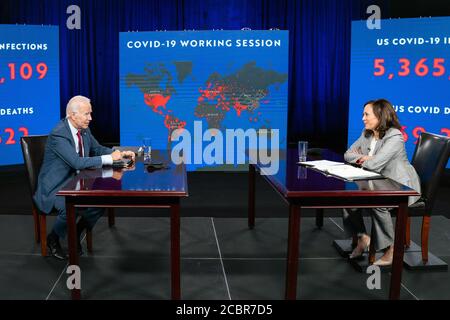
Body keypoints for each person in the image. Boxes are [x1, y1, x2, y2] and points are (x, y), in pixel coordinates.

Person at [34, 95, 135, 260]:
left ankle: (75, 233)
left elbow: (97, 149)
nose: (90, 118)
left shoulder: (84, 130)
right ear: (73, 116)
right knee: (69, 206)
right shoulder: (58, 134)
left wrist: (119, 153)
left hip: (78, 181)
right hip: (56, 186)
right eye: (87, 114)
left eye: (90, 113)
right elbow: (76, 163)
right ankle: (53, 238)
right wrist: (110, 159)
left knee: (102, 200)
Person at [343, 98, 420, 266]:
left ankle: (390, 249)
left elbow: (375, 164)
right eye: (363, 114)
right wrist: (366, 158)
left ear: (380, 116)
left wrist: (368, 159)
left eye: (366, 114)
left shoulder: (395, 136)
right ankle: (363, 237)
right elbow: (348, 154)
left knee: (378, 201)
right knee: (347, 197)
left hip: (401, 185)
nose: (363, 118)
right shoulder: (366, 133)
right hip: (375, 180)